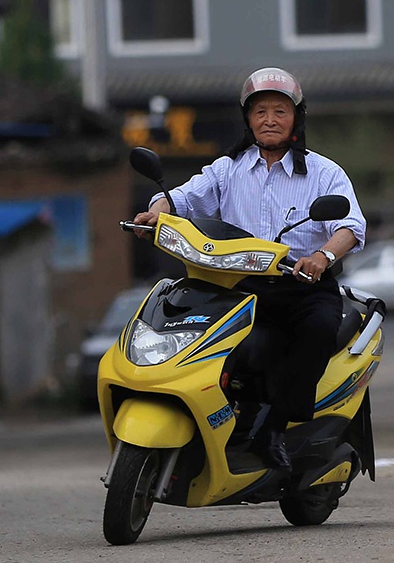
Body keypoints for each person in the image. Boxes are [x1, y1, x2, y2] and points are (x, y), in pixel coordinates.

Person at [133, 67, 366, 471]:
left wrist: (322, 257)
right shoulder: (227, 170)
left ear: (296, 118)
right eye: (260, 112)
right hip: (235, 285)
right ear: (248, 119)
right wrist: (156, 212)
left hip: (301, 287)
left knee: (316, 328)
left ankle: (275, 429)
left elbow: (350, 226)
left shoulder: (325, 172)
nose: (270, 119)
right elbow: (182, 199)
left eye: (280, 110)